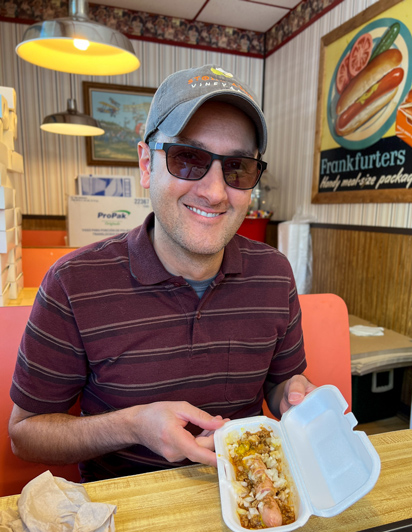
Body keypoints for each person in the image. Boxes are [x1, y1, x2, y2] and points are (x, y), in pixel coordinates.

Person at [8, 64, 315, 482]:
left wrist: (294, 398)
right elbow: (25, 434)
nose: (214, 191)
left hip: (247, 492)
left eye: (238, 167)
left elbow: (281, 387)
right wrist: (132, 425)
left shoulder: (275, 274)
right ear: (146, 164)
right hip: (128, 515)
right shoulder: (71, 283)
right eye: (187, 159)